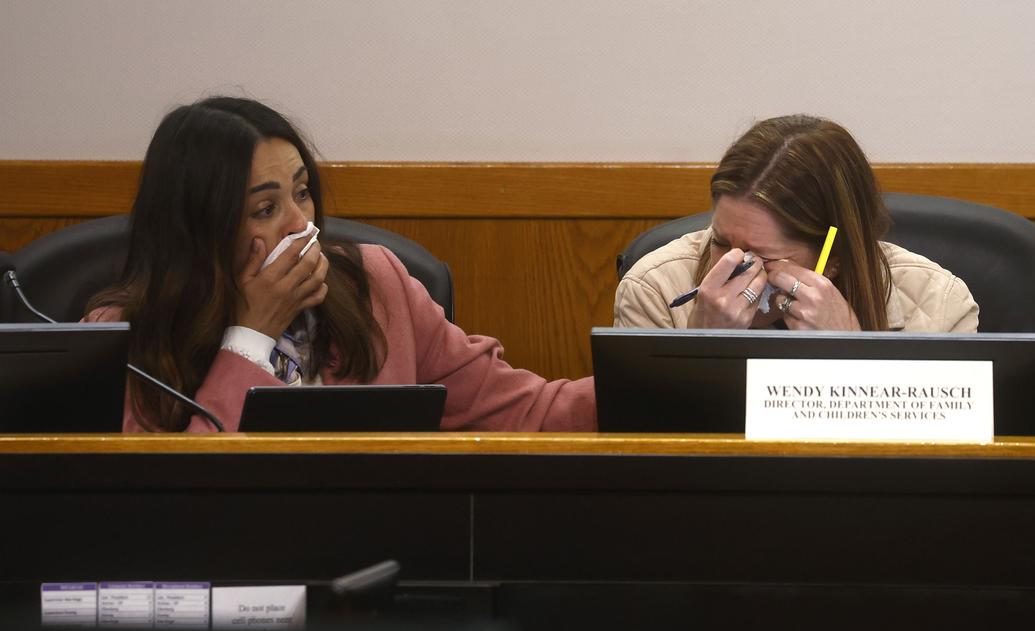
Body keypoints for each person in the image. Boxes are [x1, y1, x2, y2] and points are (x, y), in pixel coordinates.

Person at [86, 96, 596, 433]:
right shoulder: (126, 338)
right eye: (266, 209)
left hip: (374, 572)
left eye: (303, 194)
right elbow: (172, 503)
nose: (300, 225)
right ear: (198, 229)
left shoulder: (376, 284)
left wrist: (659, 387)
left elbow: (526, 412)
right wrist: (250, 337)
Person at [614, 115, 979, 332]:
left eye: (761, 256)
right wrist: (701, 350)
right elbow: (650, 454)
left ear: (834, 256)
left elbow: (936, 459)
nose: (730, 268)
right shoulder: (655, 290)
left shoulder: (939, 304)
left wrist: (851, 357)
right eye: (721, 241)